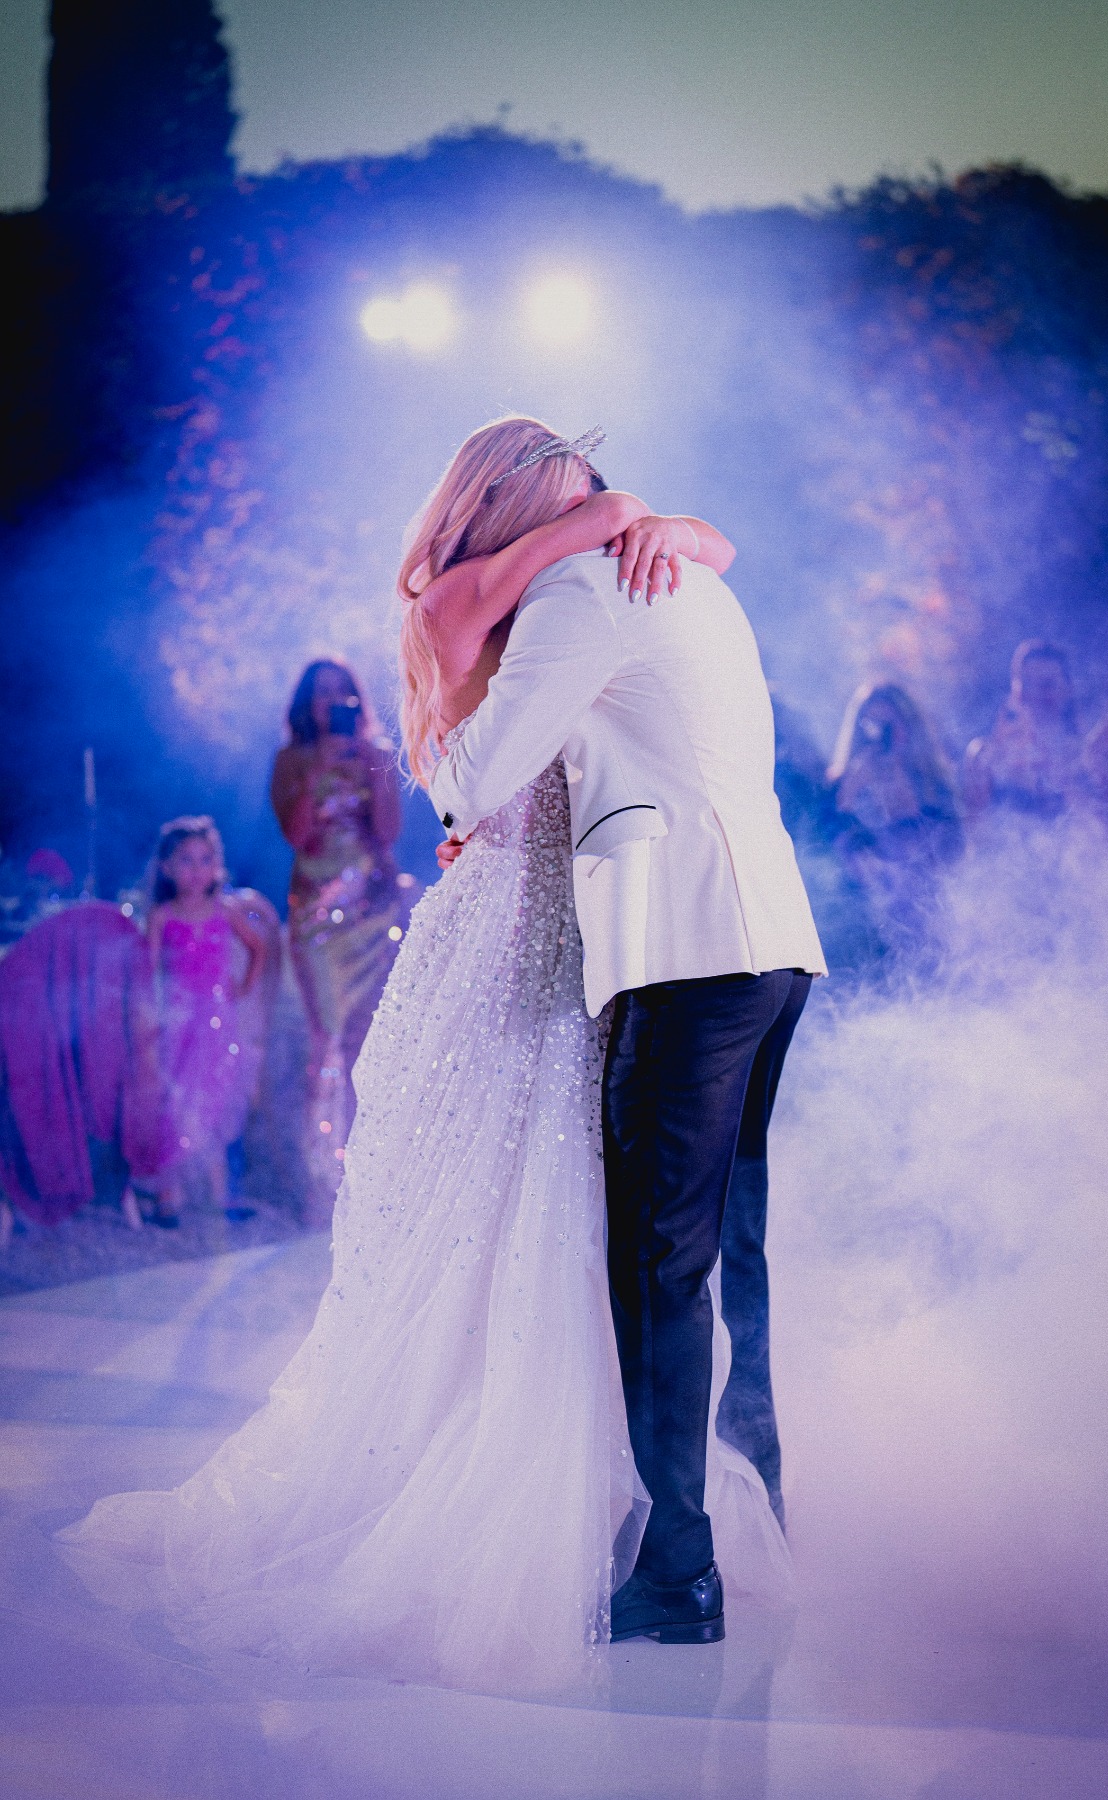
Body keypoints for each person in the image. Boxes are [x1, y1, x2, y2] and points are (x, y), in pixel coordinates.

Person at [60, 418, 798, 1697]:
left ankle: (661, 1523)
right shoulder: (462, 593)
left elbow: (660, 578)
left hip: (616, 926)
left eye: (594, 504)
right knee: (564, 1223)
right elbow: (477, 775)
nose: (600, 520)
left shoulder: (580, 598)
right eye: (566, 503)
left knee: (604, 1231)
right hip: (522, 913)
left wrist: (671, 526)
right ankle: (645, 1538)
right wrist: (622, 513)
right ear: (506, 506)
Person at [431, 433, 827, 1646]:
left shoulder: (580, 597)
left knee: (660, 1268)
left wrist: (451, 674)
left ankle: (679, 1571)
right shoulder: (682, 573)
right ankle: (753, 1511)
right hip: (769, 942)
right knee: (727, 1255)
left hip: (688, 950)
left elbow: (473, 779)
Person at [270, 660, 404, 1213]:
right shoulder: (291, 760)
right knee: (324, 1038)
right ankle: (319, 1175)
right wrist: (316, 771)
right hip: (316, 920)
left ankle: (368, 1170)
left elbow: (390, 833)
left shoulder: (376, 754)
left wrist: (375, 772)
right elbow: (296, 835)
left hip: (374, 909)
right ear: (307, 704)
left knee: (367, 1043)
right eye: (323, 693)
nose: (334, 701)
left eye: (343, 691)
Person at [144, 817, 266, 1224]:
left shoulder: (224, 910)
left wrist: (244, 985)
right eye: (186, 860)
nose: (197, 870)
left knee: (216, 1100)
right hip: (178, 1024)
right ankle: (168, 1195)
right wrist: (149, 1017)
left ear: (217, 864)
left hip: (218, 1024)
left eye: (205, 859)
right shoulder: (162, 916)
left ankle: (222, 1194)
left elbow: (258, 946)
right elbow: (147, 972)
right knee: (173, 1102)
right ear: (166, 867)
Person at [826, 681, 962, 962]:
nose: (880, 737)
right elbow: (831, 850)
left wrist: (908, 806)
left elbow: (952, 846)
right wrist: (850, 793)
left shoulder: (934, 780)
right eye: (872, 726)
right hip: (864, 919)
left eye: (889, 726)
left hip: (926, 911)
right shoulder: (844, 782)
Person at [962, 640, 1081, 822]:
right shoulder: (984, 754)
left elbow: (1099, 829)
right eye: (1025, 683)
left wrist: (1055, 774)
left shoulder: (1084, 753)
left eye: (1046, 685)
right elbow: (974, 834)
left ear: (1067, 689)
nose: (1033, 694)